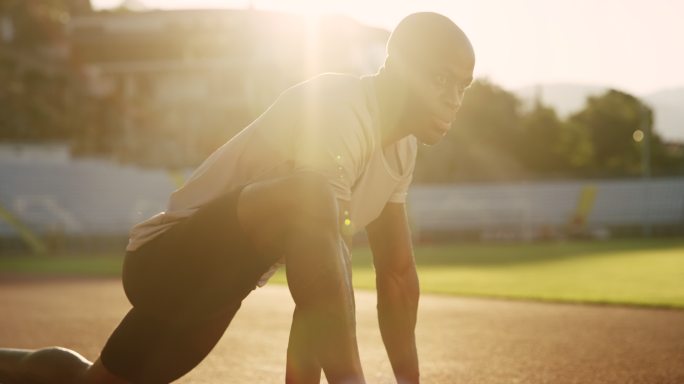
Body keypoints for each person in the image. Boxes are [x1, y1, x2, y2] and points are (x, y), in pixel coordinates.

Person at [0, 12, 474, 384]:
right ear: (398, 66)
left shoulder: (403, 148)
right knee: (310, 200)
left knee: (95, 382)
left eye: (462, 86)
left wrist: (409, 380)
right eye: (440, 78)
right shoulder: (339, 106)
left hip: (222, 286)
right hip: (164, 262)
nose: (454, 97)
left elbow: (393, 276)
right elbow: (321, 248)